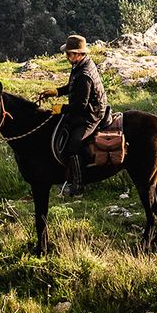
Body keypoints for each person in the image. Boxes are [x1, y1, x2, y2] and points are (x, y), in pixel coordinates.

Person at [38, 34, 108, 197]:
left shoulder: (84, 74)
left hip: (91, 114)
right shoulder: (80, 65)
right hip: (84, 110)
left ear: (78, 54)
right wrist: (57, 91)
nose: (67, 56)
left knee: (74, 144)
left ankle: (78, 186)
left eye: (69, 54)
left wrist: (60, 109)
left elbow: (80, 106)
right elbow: (72, 86)